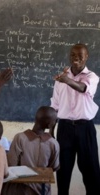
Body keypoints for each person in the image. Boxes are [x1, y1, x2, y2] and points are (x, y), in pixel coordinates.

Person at [50, 43, 100, 195]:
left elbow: (83, 88)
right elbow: (55, 105)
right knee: (63, 172)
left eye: (80, 56)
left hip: (85, 129)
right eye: (73, 55)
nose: (76, 58)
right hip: (64, 129)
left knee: (91, 173)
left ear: (87, 57)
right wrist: (51, 130)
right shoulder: (61, 79)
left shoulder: (92, 77)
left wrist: (66, 80)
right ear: (69, 56)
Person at [2, 106, 59, 195]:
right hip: (42, 190)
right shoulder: (53, 143)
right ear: (49, 125)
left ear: (35, 118)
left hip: (21, 189)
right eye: (55, 120)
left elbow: (11, 164)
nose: (56, 122)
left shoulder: (20, 138)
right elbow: (53, 167)